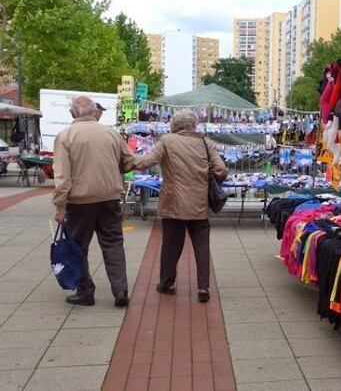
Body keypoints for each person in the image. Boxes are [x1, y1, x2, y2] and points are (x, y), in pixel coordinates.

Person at [134, 109, 227, 302]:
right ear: (194, 124)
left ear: (174, 125)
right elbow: (221, 170)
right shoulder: (205, 142)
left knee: (171, 246)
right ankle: (203, 287)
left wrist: (124, 160)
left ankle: (167, 283)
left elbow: (146, 162)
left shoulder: (167, 141)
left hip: (173, 203)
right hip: (199, 204)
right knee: (202, 246)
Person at [53, 96, 135, 307]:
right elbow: (129, 162)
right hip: (110, 197)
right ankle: (120, 290)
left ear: (72, 113)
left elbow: (62, 178)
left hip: (80, 201)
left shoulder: (65, 136)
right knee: (113, 243)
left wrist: (60, 206)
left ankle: (85, 291)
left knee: (79, 246)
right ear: (94, 112)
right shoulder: (111, 134)